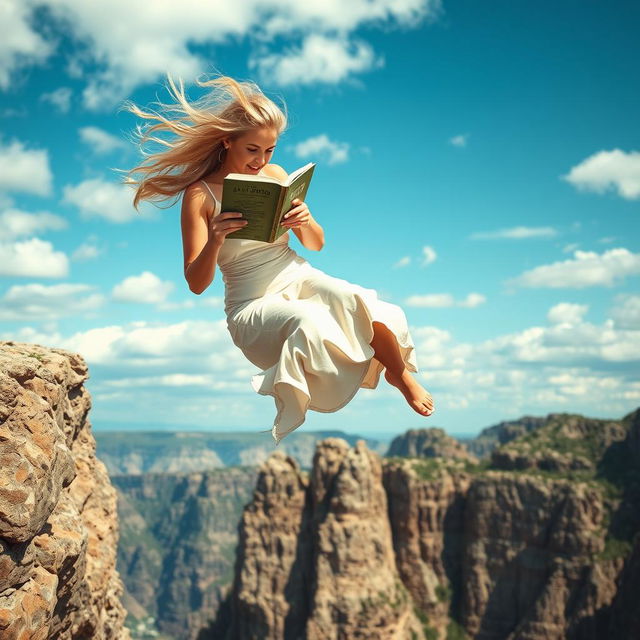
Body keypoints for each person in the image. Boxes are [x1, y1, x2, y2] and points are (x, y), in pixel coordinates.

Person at [120, 73, 434, 445]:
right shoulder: (199, 195)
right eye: (253, 149)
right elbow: (196, 283)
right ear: (227, 141)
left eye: (269, 150)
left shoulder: (275, 175)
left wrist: (305, 221)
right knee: (310, 319)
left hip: (296, 273)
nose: (262, 160)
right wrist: (216, 238)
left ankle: (399, 374)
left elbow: (316, 245)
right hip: (251, 302)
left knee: (358, 300)